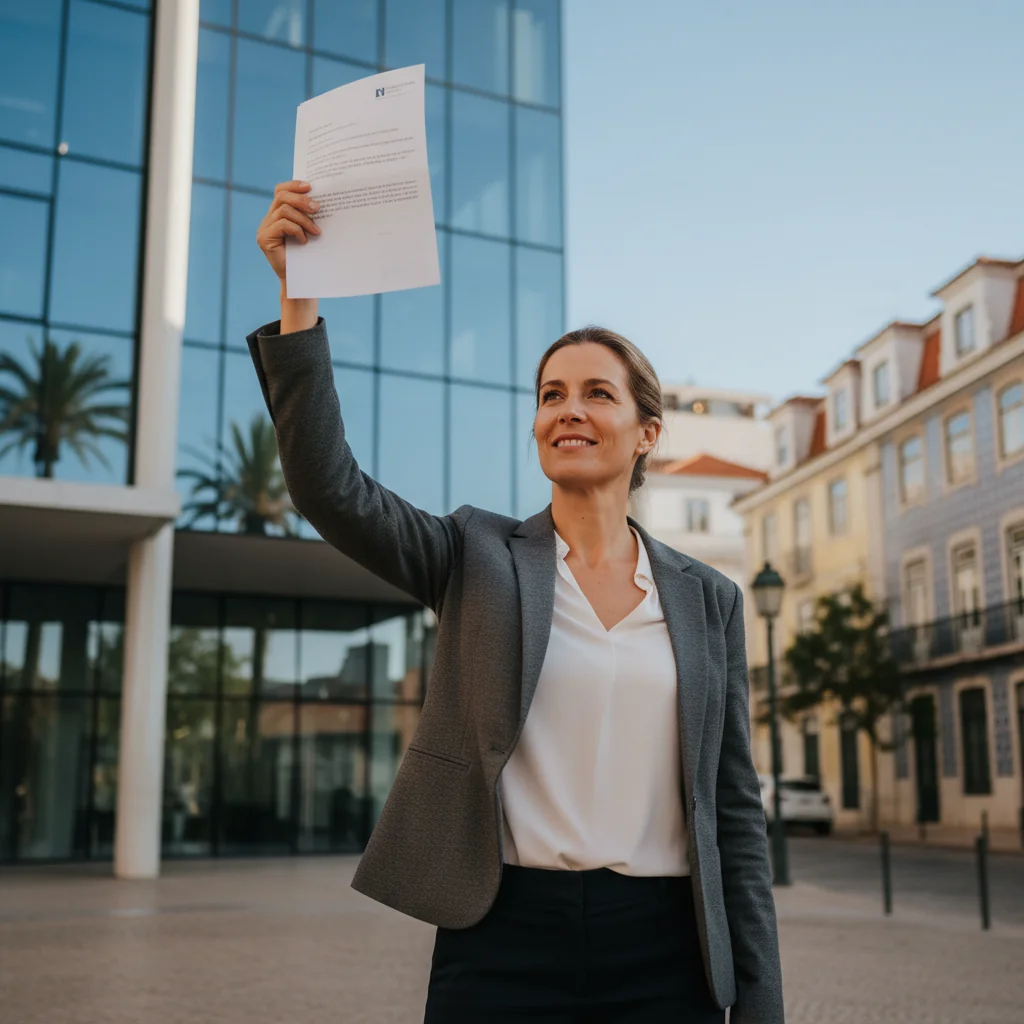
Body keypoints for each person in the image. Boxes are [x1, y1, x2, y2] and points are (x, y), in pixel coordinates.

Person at [250, 180, 785, 1024]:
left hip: (666, 948)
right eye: (550, 395)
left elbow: (735, 814)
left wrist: (761, 1003)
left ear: (646, 432)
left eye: (596, 394)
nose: (567, 410)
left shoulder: (709, 600)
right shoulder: (477, 554)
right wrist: (299, 295)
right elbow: (331, 490)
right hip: (502, 938)